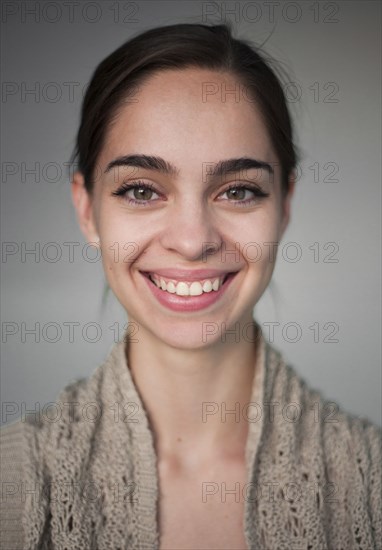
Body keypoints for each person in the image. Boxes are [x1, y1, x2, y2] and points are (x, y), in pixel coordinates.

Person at [1, 23, 380, 550]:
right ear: (87, 210)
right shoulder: (9, 490)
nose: (192, 239)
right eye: (140, 190)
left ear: (285, 205)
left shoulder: (371, 488)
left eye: (239, 191)